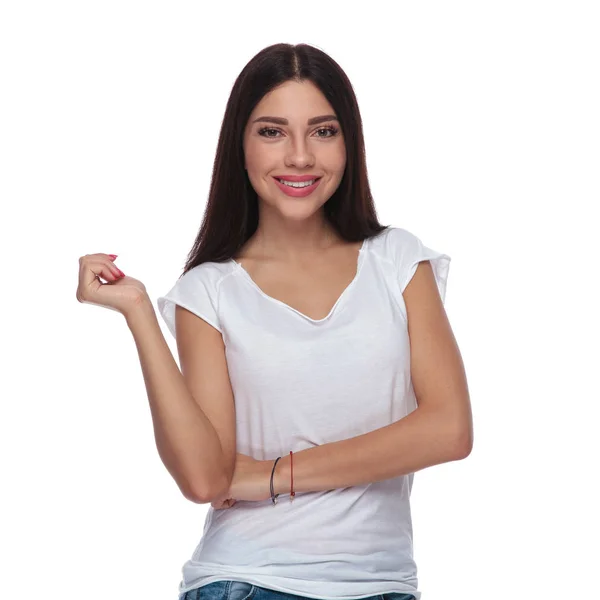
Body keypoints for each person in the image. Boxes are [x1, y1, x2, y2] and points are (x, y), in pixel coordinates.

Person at [77, 42, 473, 600]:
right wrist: (139, 311)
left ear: (349, 143)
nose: (300, 157)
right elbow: (204, 478)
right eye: (271, 132)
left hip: (384, 585)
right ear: (239, 146)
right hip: (248, 581)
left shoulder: (399, 261)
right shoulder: (208, 292)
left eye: (323, 131)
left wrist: (269, 476)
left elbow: (449, 430)